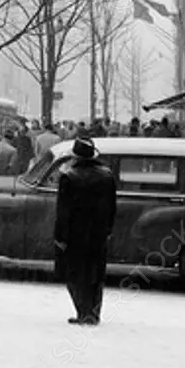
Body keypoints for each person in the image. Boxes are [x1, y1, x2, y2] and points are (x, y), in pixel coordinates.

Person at [53, 138, 117, 325]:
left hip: (75, 234)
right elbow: (112, 207)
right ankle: (94, 312)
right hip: (98, 233)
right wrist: (107, 230)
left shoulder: (69, 177)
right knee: (95, 274)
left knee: (75, 273)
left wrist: (60, 236)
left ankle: (82, 310)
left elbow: (63, 211)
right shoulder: (107, 176)